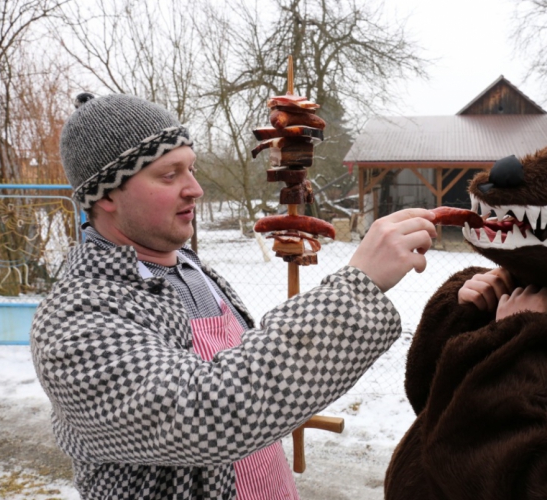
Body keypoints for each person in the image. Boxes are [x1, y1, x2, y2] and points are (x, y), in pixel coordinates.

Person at [30, 93, 437, 500]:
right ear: (105, 194)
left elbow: (255, 371)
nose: (196, 189)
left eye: (191, 169)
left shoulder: (192, 269)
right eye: (169, 175)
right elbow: (207, 412)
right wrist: (357, 286)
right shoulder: (73, 318)